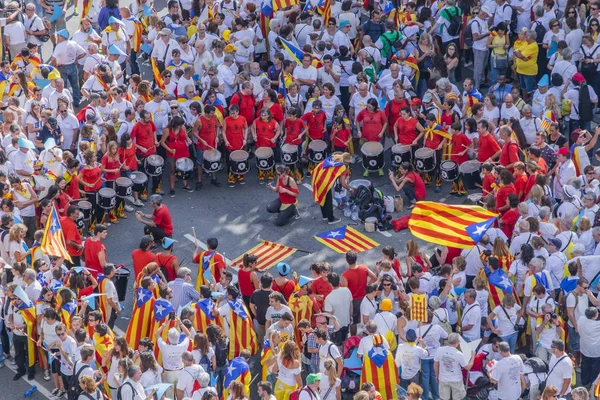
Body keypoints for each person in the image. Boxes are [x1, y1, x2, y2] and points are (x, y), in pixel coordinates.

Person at [435, 333, 475, 400]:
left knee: (444, 398)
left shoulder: (439, 350)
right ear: (457, 342)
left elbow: (435, 364)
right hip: (456, 380)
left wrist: (437, 375)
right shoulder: (459, 354)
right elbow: (468, 367)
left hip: (443, 378)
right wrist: (473, 357)